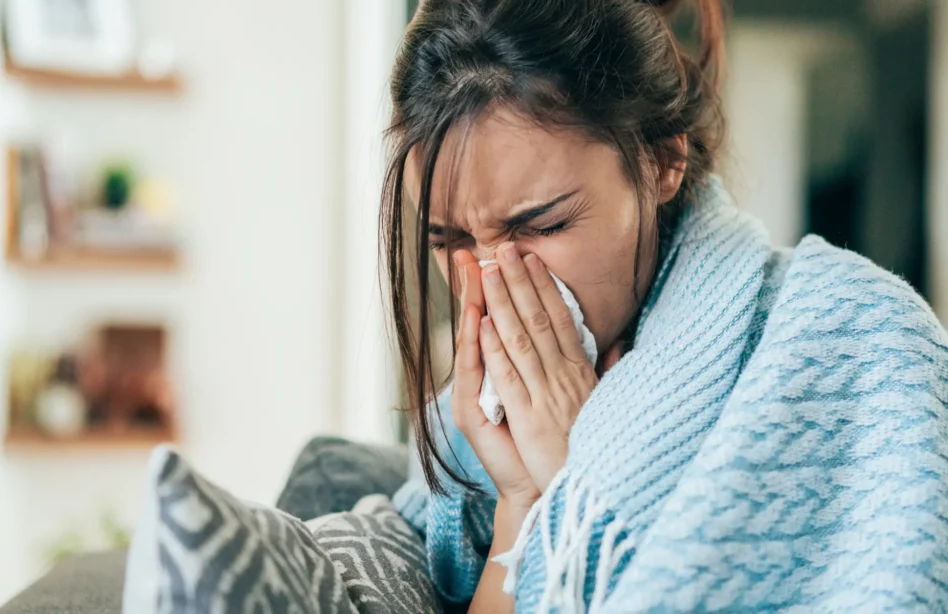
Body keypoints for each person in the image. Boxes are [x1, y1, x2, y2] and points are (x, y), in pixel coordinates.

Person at [383, 0, 948, 612]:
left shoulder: (857, 343)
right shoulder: (465, 435)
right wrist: (524, 501)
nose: (492, 284)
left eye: (543, 226)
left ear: (663, 161)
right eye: (451, 241)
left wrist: (592, 477)